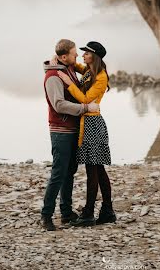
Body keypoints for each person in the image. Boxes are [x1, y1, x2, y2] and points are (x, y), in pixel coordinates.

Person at [41, 38, 100, 231]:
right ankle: (46, 216)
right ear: (64, 56)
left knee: (69, 172)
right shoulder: (53, 76)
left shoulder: (67, 67)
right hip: (61, 131)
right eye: (74, 54)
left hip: (72, 129)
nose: (77, 57)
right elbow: (59, 104)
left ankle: (66, 213)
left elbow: (88, 73)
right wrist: (85, 107)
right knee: (58, 173)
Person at [57, 40, 116, 227]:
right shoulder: (90, 71)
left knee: (93, 170)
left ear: (95, 56)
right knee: (98, 169)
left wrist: (68, 82)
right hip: (88, 124)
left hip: (93, 124)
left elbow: (85, 99)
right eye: (81, 53)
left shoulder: (101, 77)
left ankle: (89, 213)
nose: (83, 55)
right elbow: (76, 65)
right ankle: (107, 211)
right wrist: (58, 59)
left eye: (86, 53)